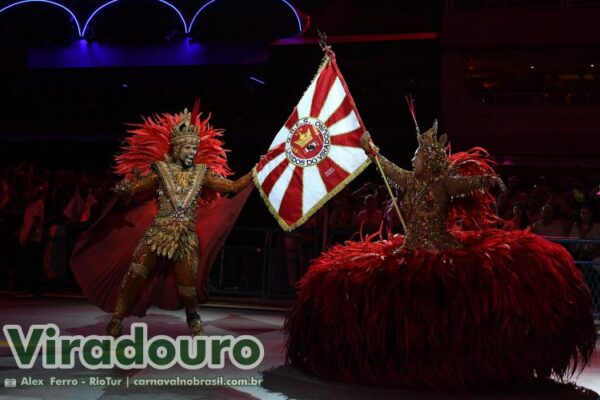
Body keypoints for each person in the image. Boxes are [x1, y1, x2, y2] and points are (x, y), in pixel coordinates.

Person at [284, 121, 596, 391]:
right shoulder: (411, 180)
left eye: (417, 156)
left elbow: (467, 182)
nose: (413, 159)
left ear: (430, 161)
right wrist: (371, 149)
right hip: (411, 246)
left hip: (439, 247)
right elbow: (389, 170)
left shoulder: (443, 183)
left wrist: (487, 180)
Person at [71, 104, 254, 337]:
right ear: (177, 148)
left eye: (194, 148)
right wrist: (127, 188)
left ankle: (193, 317)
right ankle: (117, 318)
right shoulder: (161, 170)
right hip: (157, 233)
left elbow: (233, 186)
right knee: (135, 274)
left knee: (187, 286)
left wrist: (256, 172)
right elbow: (138, 188)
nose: (191, 151)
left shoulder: (202, 174)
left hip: (186, 238)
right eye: (187, 147)